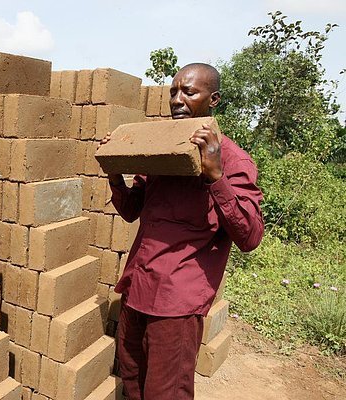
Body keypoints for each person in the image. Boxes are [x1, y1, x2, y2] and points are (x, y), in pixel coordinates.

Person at [100, 63, 264, 400]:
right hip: (138, 289)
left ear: (213, 99)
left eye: (189, 92)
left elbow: (250, 237)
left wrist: (216, 177)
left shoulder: (233, 161)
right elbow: (132, 211)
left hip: (176, 302)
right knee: (131, 379)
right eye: (173, 91)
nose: (177, 99)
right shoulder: (162, 150)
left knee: (166, 391)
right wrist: (114, 173)